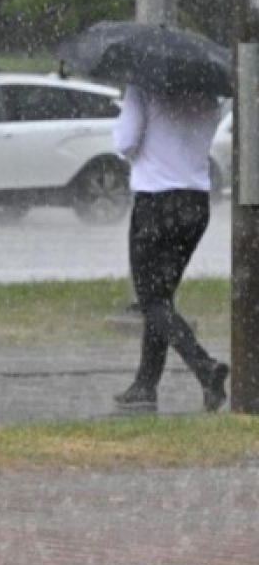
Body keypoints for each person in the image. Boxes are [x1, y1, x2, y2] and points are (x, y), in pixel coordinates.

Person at [112, 84, 228, 412]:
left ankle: (205, 368)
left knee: (150, 300)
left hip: (155, 202)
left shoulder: (142, 88)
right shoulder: (208, 93)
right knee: (162, 298)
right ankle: (145, 385)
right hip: (195, 202)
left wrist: (121, 116)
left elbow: (125, 142)